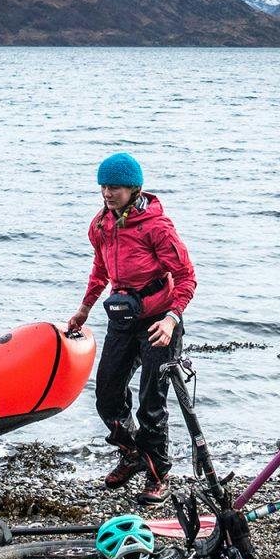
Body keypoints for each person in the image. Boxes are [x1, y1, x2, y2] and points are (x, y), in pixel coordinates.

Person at [66, 152, 196, 504]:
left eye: (115, 187)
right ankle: (132, 452)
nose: (108, 194)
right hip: (122, 318)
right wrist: (84, 309)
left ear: (133, 187)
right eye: (103, 187)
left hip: (159, 323)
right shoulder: (101, 225)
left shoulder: (157, 227)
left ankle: (158, 475)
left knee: (151, 402)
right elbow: (100, 270)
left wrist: (171, 320)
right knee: (107, 396)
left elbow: (186, 278)